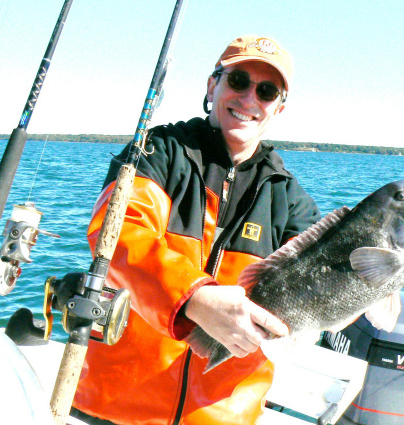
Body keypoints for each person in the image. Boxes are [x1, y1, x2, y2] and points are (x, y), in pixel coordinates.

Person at [71, 35, 321, 425]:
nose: (249, 99)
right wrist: (196, 299)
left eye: (267, 90)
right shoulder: (156, 151)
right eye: (238, 80)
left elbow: (322, 286)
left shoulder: (290, 198)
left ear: (279, 108)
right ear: (212, 85)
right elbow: (118, 233)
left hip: (223, 415)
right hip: (112, 406)